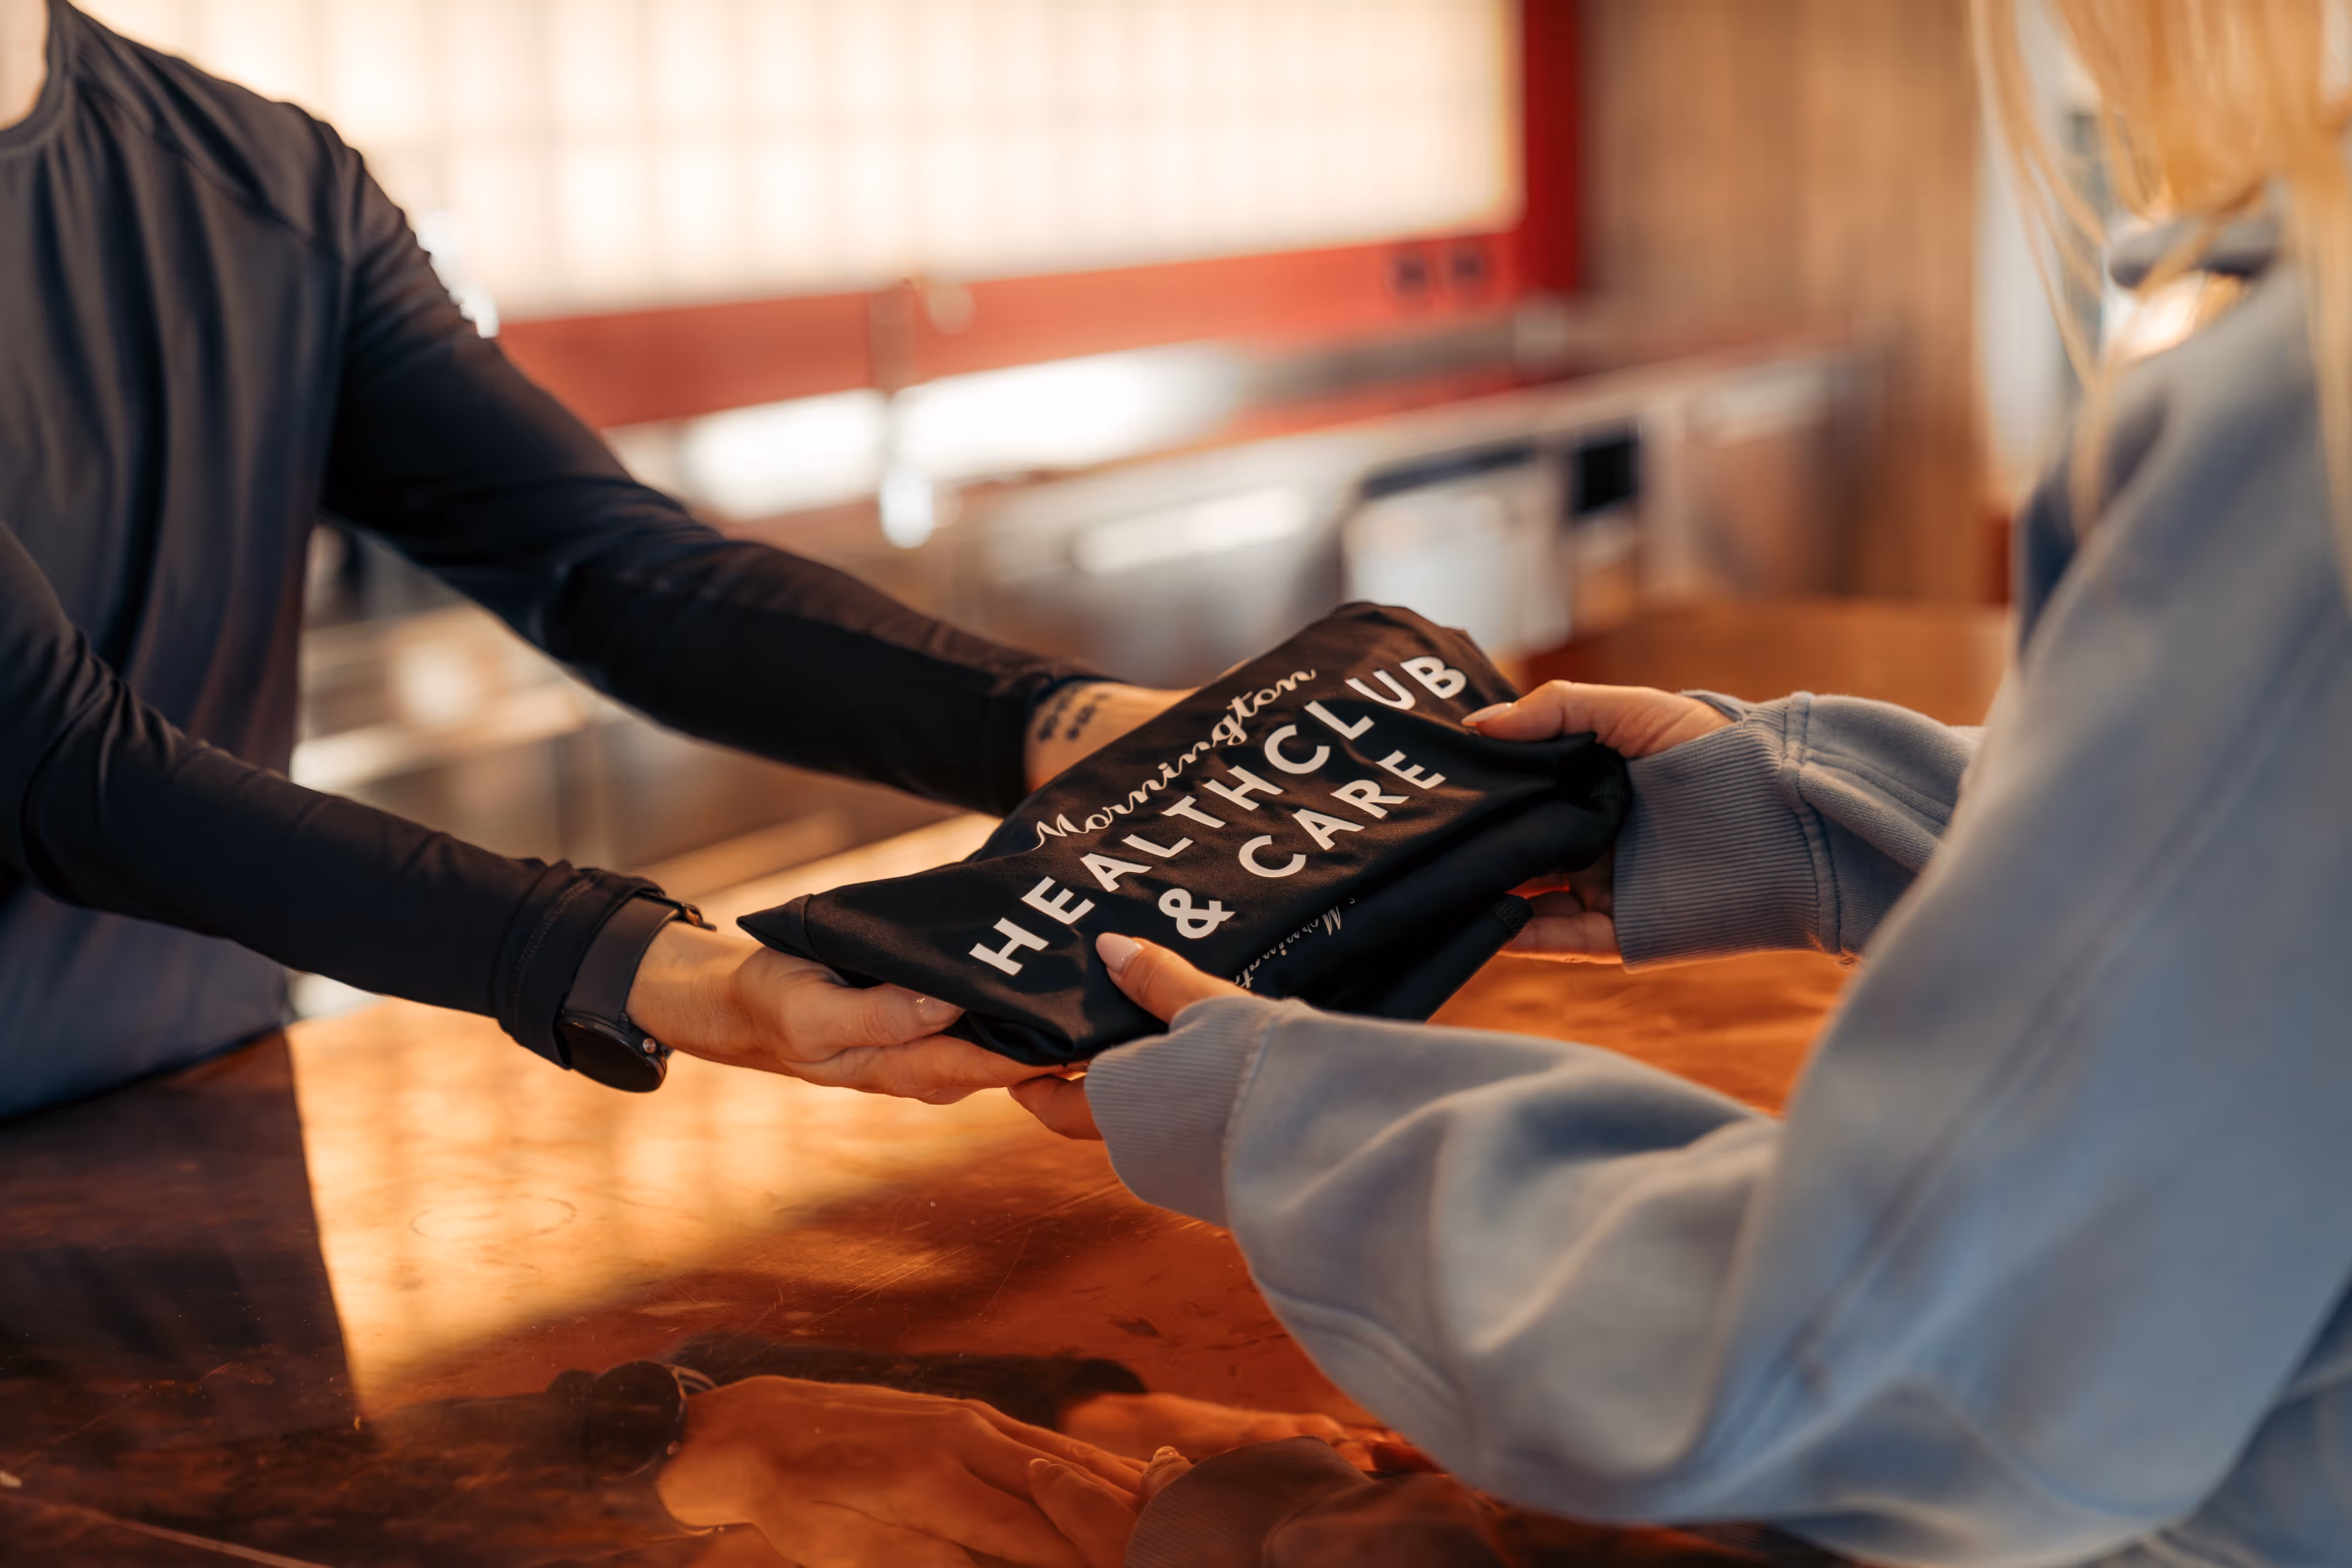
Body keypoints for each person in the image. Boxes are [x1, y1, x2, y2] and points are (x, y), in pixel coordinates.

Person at [1012, 2, 2352, 1564]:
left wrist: (1289, 1116)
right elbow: (2280, 886)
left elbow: (1884, 1354)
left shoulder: (2306, 394)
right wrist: (1798, 809)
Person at [0, 0, 1177, 1123]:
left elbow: (606, 568)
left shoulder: (267, 178)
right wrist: (671, 975)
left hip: (212, 1096)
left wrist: (1104, 733)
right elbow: (57, 766)